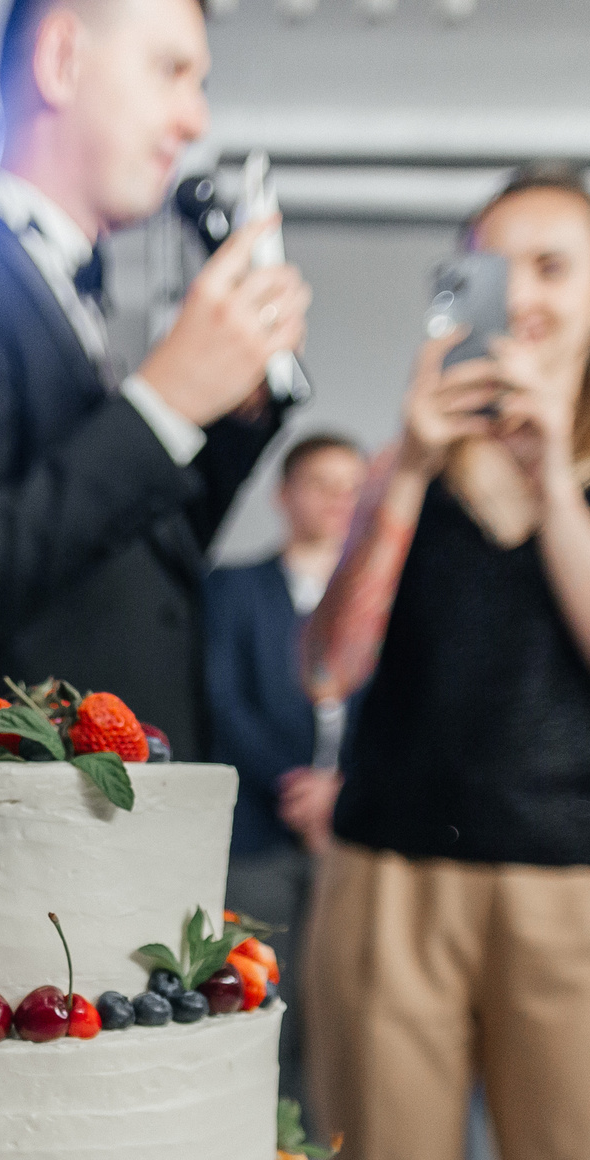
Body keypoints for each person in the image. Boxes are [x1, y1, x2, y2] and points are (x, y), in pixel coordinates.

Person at [298, 164, 590, 1160]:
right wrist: (406, 461)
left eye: (551, 266)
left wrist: (551, 485)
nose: (523, 294)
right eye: (493, 268)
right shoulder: (398, 458)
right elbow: (326, 669)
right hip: (388, 879)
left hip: (574, 887)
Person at [0, 0, 309, 759]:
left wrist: (231, 408)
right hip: (40, 823)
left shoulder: (75, 294)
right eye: (171, 71)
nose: (195, 118)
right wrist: (164, 402)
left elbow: (140, 564)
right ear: (62, 59)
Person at [203, 431, 366, 1121]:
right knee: (261, 998)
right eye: (322, 483)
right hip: (261, 832)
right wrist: (300, 790)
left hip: (359, 829)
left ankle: (327, 1154)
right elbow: (222, 701)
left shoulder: (382, 594)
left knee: (348, 1007)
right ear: (284, 495)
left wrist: (346, 791)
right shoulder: (234, 588)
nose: (339, 499)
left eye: (353, 486)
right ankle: (260, 1154)